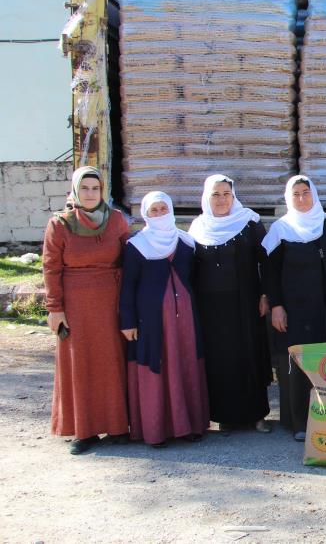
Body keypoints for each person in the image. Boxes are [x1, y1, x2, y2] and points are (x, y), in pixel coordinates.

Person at [43, 166, 131, 455]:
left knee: (112, 362)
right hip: (76, 304)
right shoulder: (60, 224)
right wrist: (55, 308)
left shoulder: (116, 220)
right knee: (80, 364)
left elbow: (129, 259)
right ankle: (86, 430)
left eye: (95, 188)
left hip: (111, 301)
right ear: (75, 191)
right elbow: (51, 268)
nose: (90, 194)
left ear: (102, 191)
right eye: (85, 188)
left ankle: (118, 426)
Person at [120, 191, 209, 447]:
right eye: (153, 210)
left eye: (163, 209)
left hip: (185, 322)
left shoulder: (186, 242)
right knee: (157, 366)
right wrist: (127, 321)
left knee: (186, 364)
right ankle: (156, 430)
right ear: (145, 214)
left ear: (171, 210)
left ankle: (189, 426)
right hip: (152, 321)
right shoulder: (137, 245)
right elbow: (127, 286)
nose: (159, 214)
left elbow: (194, 279)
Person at [188, 174, 271, 435]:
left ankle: (256, 415)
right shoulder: (198, 227)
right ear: (206, 197)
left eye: (226, 194)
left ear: (233, 196)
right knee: (220, 360)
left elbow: (266, 261)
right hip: (210, 307)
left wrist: (265, 295)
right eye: (216, 194)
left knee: (249, 355)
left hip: (245, 302)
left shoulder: (249, 222)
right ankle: (225, 416)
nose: (222, 199)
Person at [262, 176, 326, 441]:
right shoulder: (280, 229)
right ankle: (299, 422)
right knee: (297, 366)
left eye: (305, 192)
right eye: (295, 194)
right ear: (288, 198)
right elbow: (270, 273)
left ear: (314, 194)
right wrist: (276, 306)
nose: (301, 198)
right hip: (294, 311)